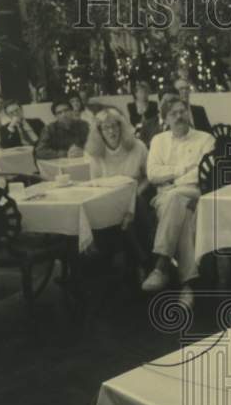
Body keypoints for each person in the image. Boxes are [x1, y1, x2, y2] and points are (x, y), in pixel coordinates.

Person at [141, 95, 215, 307]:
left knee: (177, 197)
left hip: (196, 193)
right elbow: (153, 173)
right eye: (173, 113)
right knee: (181, 211)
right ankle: (188, 285)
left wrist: (174, 180)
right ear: (165, 119)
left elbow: (204, 173)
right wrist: (182, 170)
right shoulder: (158, 140)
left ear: (188, 113)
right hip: (166, 197)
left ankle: (161, 265)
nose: (179, 116)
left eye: (182, 111)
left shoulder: (205, 139)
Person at [85, 107, 153, 281]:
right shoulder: (95, 153)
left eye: (115, 126)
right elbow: (96, 185)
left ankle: (139, 263)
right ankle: (144, 262)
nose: (111, 131)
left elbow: (148, 177)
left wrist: (133, 195)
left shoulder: (137, 146)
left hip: (138, 194)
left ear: (122, 127)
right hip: (109, 200)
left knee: (134, 205)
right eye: (105, 128)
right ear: (99, 131)